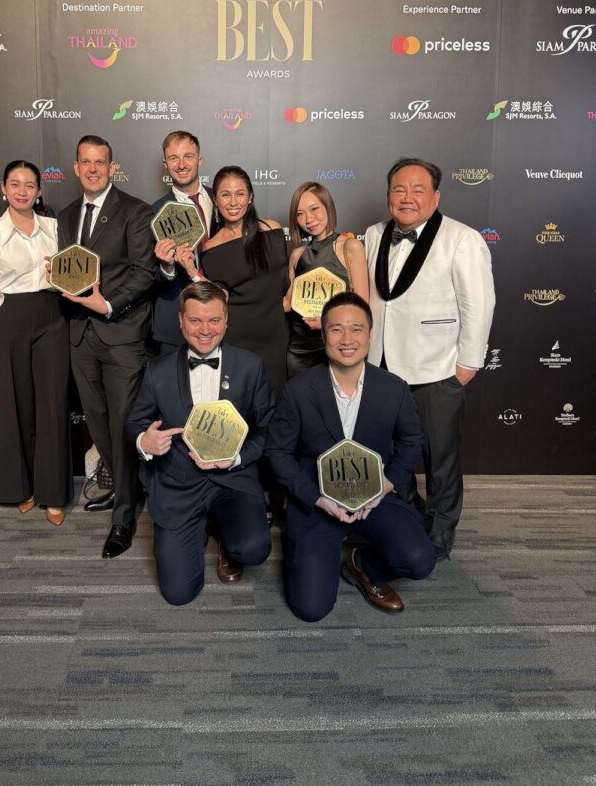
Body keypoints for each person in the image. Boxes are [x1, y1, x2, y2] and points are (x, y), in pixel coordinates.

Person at [265, 292, 436, 622]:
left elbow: (410, 441)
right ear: (323, 334)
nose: (347, 339)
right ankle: (302, 546)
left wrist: (386, 485)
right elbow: (277, 451)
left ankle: (361, 565)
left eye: (356, 329)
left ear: (370, 335)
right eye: (336, 329)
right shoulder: (299, 389)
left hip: (374, 496)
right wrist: (315, 498)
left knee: (419, 560)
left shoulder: (394, 388)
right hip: (318, 500)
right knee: (311, 609)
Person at [364, 157, 496, 561]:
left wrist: (467, 365)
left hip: (438, 368)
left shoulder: (462, 238)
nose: (407, 197)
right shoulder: (373, 234)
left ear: (436, 197)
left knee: (440, 459)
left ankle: (440, 533)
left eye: (417, 190)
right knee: (390, 455)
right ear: (388, 195)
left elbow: (479, 304)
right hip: (383, 368)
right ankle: (409, 516)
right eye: (399, 189)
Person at [125, 281, 274, 604]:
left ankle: (223, 534)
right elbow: (135, 422)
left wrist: (236, 458)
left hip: (232, 480)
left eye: (214, 320)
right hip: (180, 483)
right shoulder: (158, 370)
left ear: (226, 321)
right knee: (179, 593)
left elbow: (268, 431)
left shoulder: (250, 366)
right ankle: (198, 527)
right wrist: (143, 441)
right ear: (181, 321)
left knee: (253, 549)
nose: (205, 330)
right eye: (195, 320)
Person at [57, 135, 155, 559]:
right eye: (86, 162)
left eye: (101, 162)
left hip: (122, 335)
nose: (93, 169)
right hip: (80, 335)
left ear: (112, 167)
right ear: (76, 168)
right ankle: (126, 490)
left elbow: (144, 272)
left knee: (122, 425)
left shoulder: (135, 210)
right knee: (97, 424)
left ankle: (124, 517)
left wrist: (109, 303)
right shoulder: (66, 215)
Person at [0, 161, 71, 525]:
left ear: (39, 191)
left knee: (52, 404)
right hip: (7, 320)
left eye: (29, 185)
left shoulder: (57, 229)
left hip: (53, 317)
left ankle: (53, 493)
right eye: (15, 184)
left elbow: (78, 275)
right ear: (3, 189)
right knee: (14, 405)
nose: (22, 191)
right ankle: (20, 488)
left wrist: (59, 274)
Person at [175, 166, 289, 397]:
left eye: (240, 194)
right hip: (239, 338)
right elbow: (219, 296)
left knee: (275, 404)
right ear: (215, 200)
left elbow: (286, 279)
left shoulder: (272, 229)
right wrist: (192, 271)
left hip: (276, 336)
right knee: (240, 403)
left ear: (250, 197)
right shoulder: (212, 247)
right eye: (225, 195)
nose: (233, 202)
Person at [284, 182, 369, 377]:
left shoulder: (350, 247)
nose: (308, 219)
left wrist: (327, 322)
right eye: (300, 214)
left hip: (337, 345)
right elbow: (288, 303)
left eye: (314, 209)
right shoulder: (297, 255)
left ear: (328, 206)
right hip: (299, 348)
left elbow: (362, 304)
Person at [151, 130, 217, 354]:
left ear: (200, 159)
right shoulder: (153, 213)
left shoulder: (223, 201)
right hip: (174, 323)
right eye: (173, 158)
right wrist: (167, 266)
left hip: (221, 318)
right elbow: (146, 275)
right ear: (165, 164)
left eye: (188, 156)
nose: (181, 165)